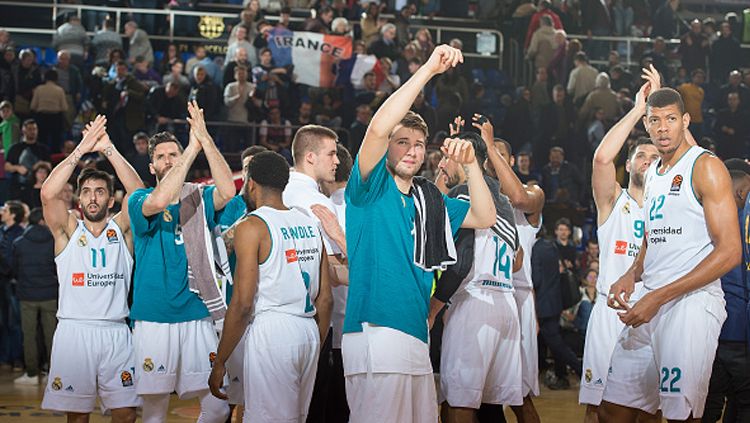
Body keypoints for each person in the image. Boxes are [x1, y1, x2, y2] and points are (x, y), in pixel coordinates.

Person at [342, 45, 495, 423]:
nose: (412, 151)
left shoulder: (428, 201)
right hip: (376, 330)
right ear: (386, 149)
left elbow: (485, 215)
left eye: (418, 144)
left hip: (413, 331)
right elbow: (378, 127)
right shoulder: (370, 187)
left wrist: (472, 165)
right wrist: (428, 70)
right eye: (402, 142)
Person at [600, 88, 741, 422]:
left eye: (671, 119)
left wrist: (659, 296)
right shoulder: (652, 174)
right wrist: (632, 273)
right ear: (646, 125)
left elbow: (731, 251)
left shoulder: (705, 166)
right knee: (611, 410)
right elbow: (652, 237)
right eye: (655, 120)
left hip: (690, 304)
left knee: (681, 416)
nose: (663, 127)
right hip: (651, 300)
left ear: (685, 121)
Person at [127, 102, 234, 422]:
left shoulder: (197, 196)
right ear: (151, 167)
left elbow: (228, 191)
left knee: (217, 406)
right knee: (155, 411)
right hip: (154, 316)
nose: (169, 160)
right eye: (161, 156)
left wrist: (205, 139)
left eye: (173, 154)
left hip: (196, 311)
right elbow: (160, 201)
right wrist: (190, 149)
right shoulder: (137, 199)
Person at [208, 151, 333, 422]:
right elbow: (326, 301)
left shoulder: (252, 226)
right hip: (308, 330)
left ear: (250, 183)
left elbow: (242, 304)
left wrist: (220, 361)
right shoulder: (310, 224)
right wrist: (314, 342)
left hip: (273, 331)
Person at [39, 115, 144, 421]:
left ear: (111, 199)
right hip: (75, 331)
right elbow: (47, 194)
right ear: (79, 198)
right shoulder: (69, 229)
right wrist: (81, 150)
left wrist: (108, 148)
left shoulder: (122, 228)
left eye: (100, 191)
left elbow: (138, 193)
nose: (93, 197)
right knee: (78, 417)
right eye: (86, 191)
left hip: (115, 332)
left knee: (126, 415)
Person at [580, 65, 662, 423]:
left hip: (655, 315)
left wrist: (660, 113)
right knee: (598, 410)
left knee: (652, 412)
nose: (647, 160)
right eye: (640, 156)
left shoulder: (669, 207)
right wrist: (639, 109)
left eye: (654, 157)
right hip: (611, 314)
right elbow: (601, 158)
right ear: (628, 165)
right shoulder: (613, 200)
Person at [429, 129, 524, 422]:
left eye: (449, 158)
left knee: (459, 404)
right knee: (491, 407)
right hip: (506, 304)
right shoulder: (503, 201)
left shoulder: (463, 193)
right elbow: (518, 260)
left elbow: (461, 261)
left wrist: (434, 308)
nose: (444, 164)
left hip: (473, 302)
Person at [473, 116, 544, 422]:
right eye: (489, 155)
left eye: (500, 154)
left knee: (519, 397)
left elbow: (518, 198)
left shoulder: (533, 191)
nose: (492, 159)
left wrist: (489, 145)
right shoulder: (476, 195)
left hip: (518, 296)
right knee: (476, 395)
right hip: (481, 295)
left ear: (512, 161)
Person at [281, 124, 343, 422]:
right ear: (309, 157)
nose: (337, 161)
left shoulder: (280, 191)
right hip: (311, 318)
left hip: (274, 317)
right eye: (331, 154)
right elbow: (331, 273)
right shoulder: (317, 201)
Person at [702, 161, 750, 422]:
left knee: (709, 401)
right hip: (740, 331)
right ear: (741, 192)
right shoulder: (743, 221)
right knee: (744, 401)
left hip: (711, 329)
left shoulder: (706, 221)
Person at [9, 207, 57, 387]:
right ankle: (53, 372)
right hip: (50, 294)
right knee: (51, 334)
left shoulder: (19, 242)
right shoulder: (53, 240)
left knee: (29, 335)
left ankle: (31, 373)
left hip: (27, 294)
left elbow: (14, 269)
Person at [5, 119, 51, 200]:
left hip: (38, 188)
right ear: (23, 130)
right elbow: (6, 166)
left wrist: (39, 165)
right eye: (30, 129)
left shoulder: (43, 149)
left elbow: (49, 166)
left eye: (34, 129)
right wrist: (17, 168)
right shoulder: (15, 148)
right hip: (18, 187)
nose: (32, 132)